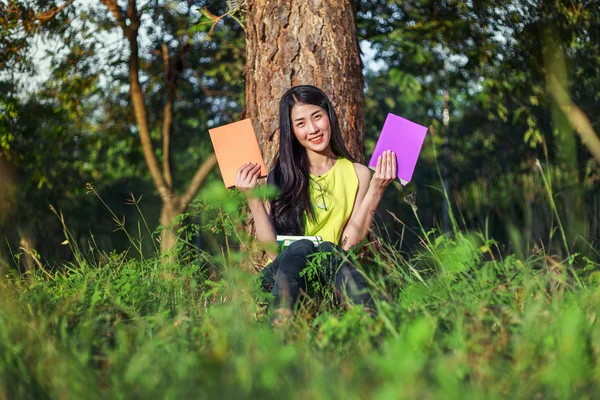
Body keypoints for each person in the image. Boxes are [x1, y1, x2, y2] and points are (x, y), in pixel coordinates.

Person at [235, 85, 396, 322]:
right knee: (300, 247)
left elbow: (347, 244)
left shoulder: (358, 173)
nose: (313, 129)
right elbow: (270, 250)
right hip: (279, 274)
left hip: (330, 270)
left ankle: (369, 319)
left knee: (329, 250)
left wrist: (377, 189)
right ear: (292, 131)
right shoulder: (280, 175)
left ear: (329, 115)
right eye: (301, 123)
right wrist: (252, 199)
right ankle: (280, 320)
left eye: (317, 117)